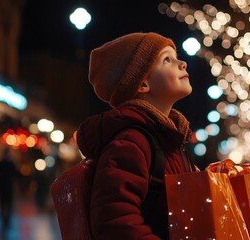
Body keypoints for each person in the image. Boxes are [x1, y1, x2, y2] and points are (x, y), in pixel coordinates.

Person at [76, 32, 194, 239]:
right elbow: (115, 221)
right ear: (142, 85)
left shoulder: (171, 139)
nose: (182, 63)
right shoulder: (132, 142)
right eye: (167, 60)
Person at [0, 148, 18, 230]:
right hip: (7, 186)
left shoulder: (1, 162)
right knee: (8, 203)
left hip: (3, 186)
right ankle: (6, 219)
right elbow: (17, 174)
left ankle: (5, 219)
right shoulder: (10, 163)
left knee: (3, 203)